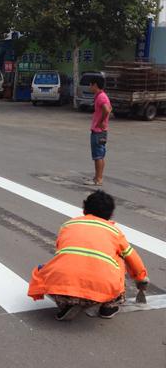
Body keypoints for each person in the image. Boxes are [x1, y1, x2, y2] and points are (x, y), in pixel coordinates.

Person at [28, 190, 149, 321]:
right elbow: (133, 259)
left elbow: (61, 251)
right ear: (111, 214)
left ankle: (67, 304)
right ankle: (109, 307)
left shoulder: (68, 225)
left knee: (52, 267)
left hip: (63, 289)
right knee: (118, 260)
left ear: (84, 208)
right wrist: (141, 279)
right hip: (101, 290)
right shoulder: (114, 231)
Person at [85, 76, 112, 186]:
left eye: (90, 85)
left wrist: (101, 121)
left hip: (99, 131)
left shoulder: (101, 97)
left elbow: (106, 110)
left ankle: (99, 179)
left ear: (95, 85)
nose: (89, 87)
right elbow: (110, 108)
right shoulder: (102, 96)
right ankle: (97, 177)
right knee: (99, 155)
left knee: (98, 156)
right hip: (100, 130)